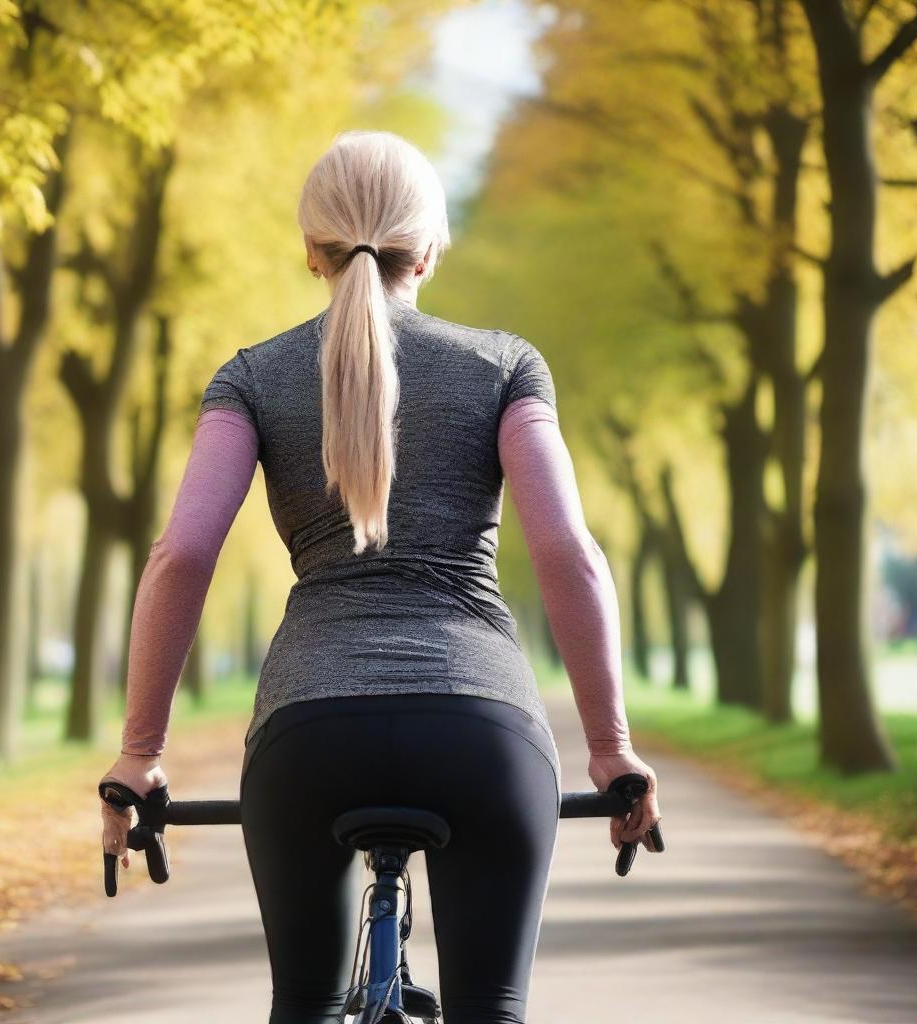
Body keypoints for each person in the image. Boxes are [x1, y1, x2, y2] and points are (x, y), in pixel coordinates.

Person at [99, 129, 662, 1024]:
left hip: (306, 734)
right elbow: (567, 553)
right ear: (430, 251)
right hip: (481, 731)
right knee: (493, 1007)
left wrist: (140, 753)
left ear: (311, 250)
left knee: (307, 1003)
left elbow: (183, 556)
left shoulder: (249, 379)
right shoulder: (506, 367)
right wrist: (610, 747)